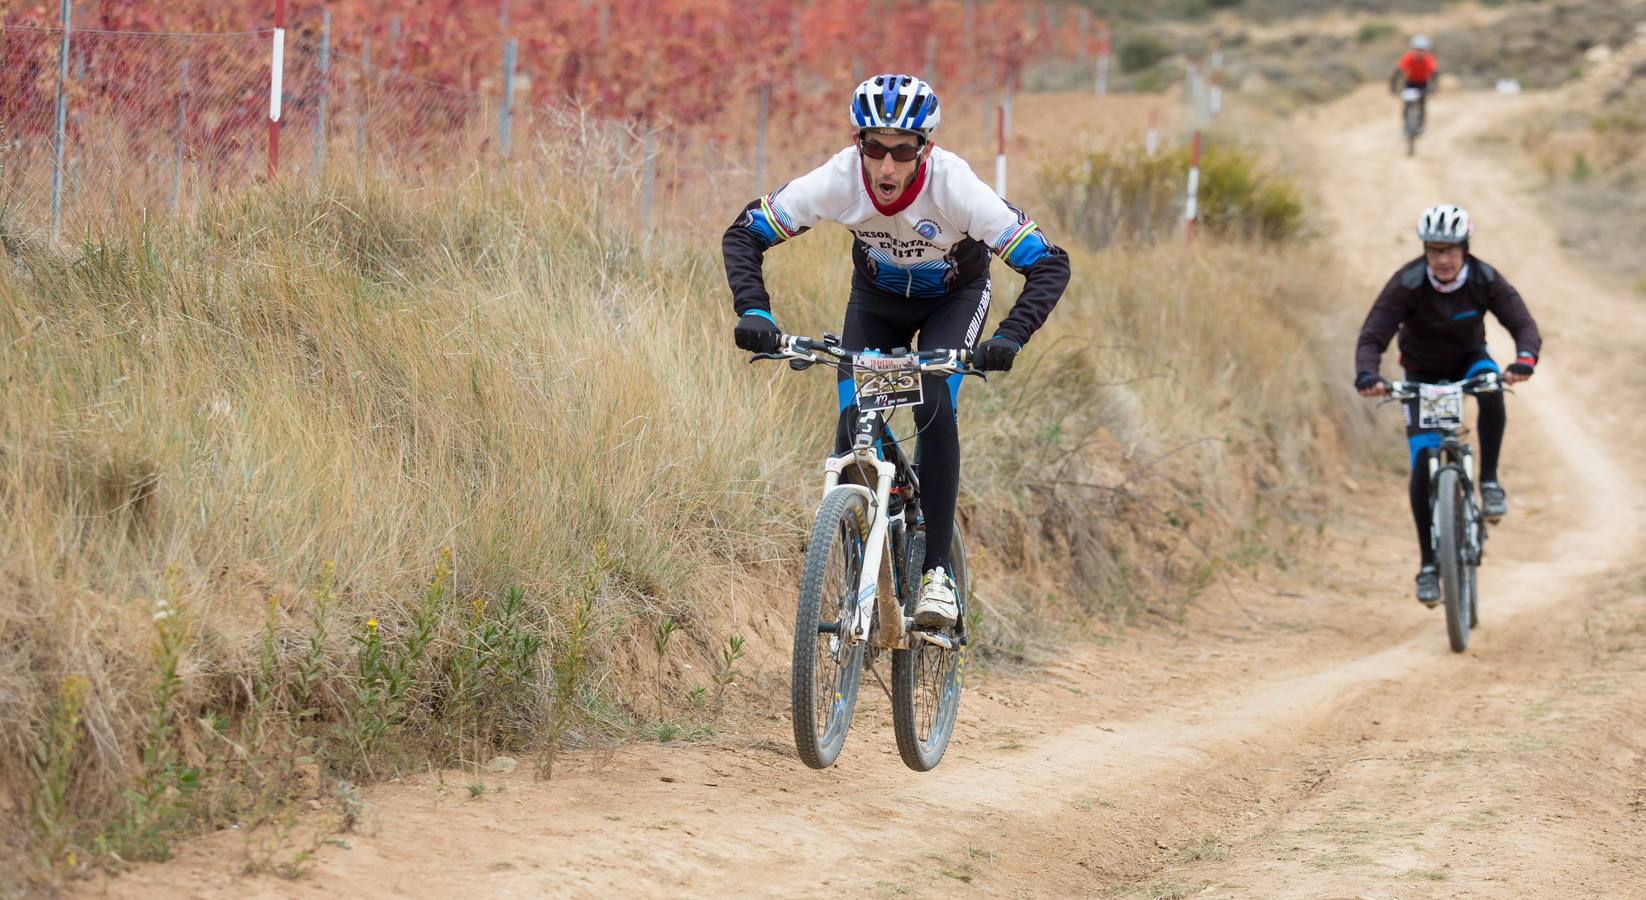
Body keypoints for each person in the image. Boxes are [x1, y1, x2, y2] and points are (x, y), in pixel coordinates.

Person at [722, 73, 1070, 628]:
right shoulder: (839, 180)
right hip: (877, 302)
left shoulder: (956, 186)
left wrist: (1009, 336)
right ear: (858, 143)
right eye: (874, 148)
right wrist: (755, 310)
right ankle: (868, 552)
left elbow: (1049, 263)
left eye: (902, 151)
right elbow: (745, 233)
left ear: (923, 150)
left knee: (932, 403)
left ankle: (937, 575)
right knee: (851, 425)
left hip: (952, 302)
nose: (886, 167)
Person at [1354, 204, 1542, 606]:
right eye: (1434, 250)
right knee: (1423, 461)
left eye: (1450, 250)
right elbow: (1373, 335)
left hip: (1468, 361)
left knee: (1491, 389)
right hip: (1420, 373)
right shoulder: (1406, 283)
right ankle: (1427, 565)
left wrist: (1524, 360)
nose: (1442, 259)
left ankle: (1488, 481)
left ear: (1465, 249)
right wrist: (1368, 374)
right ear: (1424, 250)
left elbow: (1522, 323)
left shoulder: (1485, 277)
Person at [1390, 35, 1439, 131]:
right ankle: (1405, 126)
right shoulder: (1407, 58)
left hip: (1423, 83)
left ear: (1425, 51)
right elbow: (1397, 73)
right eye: (1417, 49)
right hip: (1410, 82)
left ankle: (1420, 126)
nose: (1419, 52)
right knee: (1406, 104)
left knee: (1422, 104)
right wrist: (1393, 87)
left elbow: (1434, 74)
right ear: (1413, 50)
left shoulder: (1429, 60)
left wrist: (1434, 88)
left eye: (1422, 50)